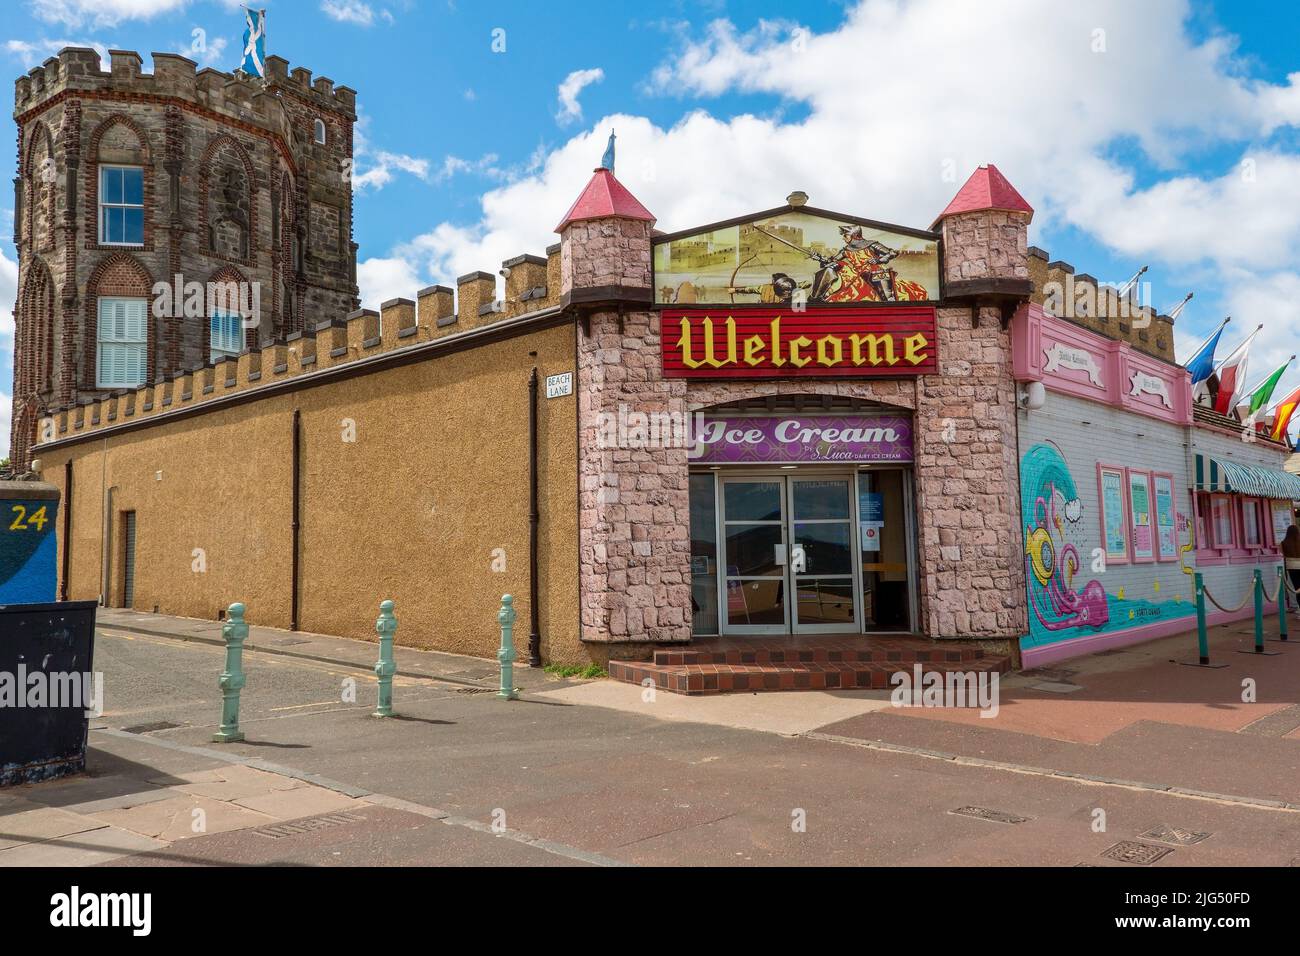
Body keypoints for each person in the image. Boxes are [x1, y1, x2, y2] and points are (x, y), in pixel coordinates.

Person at [1283, 524, 1300, 613]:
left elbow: (1283, 554)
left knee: (1296, 588)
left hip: (1291, 567)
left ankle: (1298, 608)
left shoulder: (1284, 543)